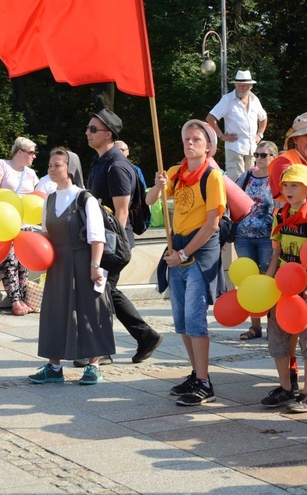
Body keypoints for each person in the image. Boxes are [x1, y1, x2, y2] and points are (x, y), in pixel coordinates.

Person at [146, 120, 226, 405]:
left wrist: (183, 254)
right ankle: (196, 373)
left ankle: (205, 383)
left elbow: (212, 225)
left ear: (208, 147)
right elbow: (149, 200)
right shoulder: (175, 173)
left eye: (196, 139)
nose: (190, 143)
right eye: (187, 139)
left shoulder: (212, 177)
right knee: (181, 321)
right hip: (177, 248)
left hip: (199, 252)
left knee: (194, 319)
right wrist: (157, 187)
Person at [28, 148, 114, 384]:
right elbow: (46, 233)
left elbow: (97, 237)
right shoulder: (50, 199)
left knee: (88, 311)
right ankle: (54, 367)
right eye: (50, 165)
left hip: (83, 260)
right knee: (54, 312)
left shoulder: (84, 198)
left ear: (70, 169)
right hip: (58, 264)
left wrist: (95, 266)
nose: (52, 169)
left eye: (57, 165)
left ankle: (93, 366)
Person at [86, 108, 163, 364]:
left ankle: (109, 348)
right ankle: (143, 337)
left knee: (102, 290)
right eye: (88, 128)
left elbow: (121, 213)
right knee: (106, 291)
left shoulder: (117, 166)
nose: (88, 133)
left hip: (113, 243)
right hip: (104, 240)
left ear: (108, 134)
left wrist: (106, 249)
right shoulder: (101, 162)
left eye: (93, 129)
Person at [261, 164, 307, 412]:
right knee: (277, 339)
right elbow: (276, 252)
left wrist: (303, 279)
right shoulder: (280, 215)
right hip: (281, 286)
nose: (288, 190)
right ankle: (286, 388)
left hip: (306, 288)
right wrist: (268, 281)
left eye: (294, 185)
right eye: (286, 185)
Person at [0, 136, 40, 316]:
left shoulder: (31, 174)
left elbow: (35, 198)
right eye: (31, 152)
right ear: (20, 152)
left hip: (25, 223)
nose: (34, 156)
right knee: (9, 262)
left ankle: (23, 299)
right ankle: (15, 301)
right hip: (4, 222)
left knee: (23, 263)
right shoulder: (2, 165)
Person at [235, 141, 277, 341]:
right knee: (249, 280)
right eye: (256, 154)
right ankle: (254, 326)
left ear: (273, 157)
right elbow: (232, 199)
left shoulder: (277, 179)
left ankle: (273, 326)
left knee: (268, 281)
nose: (259, 158)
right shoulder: (246, 176)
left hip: (267, 238)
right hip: (243, 236)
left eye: (263, 155)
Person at [206, 70, 268, 181]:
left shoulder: (254, 99)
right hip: (235, 148)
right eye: (238, 85)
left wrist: (260, 134)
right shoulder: (227, 99)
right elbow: (210, 118)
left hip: (251, 149)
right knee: (237, 182)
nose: (240, 88)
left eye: (244, 86)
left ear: (250, 86)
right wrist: (221, 136)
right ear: (235, 85)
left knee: (252, 180)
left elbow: (263, 118)